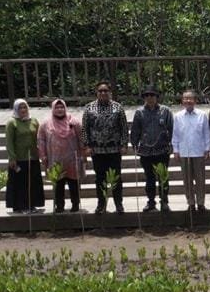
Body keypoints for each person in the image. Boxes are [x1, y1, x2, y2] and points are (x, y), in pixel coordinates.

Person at [81, 80, 128, 214]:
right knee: (100, 178)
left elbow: (124, 128)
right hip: (97, 150)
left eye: (105, 90)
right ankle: (101, 204)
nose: (103, 93)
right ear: (96, 93)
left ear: (110, 92)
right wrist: (87, 145)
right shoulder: (89, 108)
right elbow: (85, 129)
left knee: (116, 178)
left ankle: (119, 204)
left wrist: (124, 144)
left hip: (114, 150)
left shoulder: (118, 107)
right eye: (100, 91)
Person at [38, 98, 86, 213]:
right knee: (58, 185)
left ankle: (75, 204)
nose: (60, 109)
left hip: (72, 159)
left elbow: (82, 138)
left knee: (73, 183)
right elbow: (41, 140)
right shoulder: (46, 123)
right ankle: (59, 206)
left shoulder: (74, 122)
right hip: (55, 159)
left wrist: (84, 154)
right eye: (57, 107)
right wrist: (43, 156)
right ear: (53, 109)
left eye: (62, 107)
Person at [130, 85, 173, 212]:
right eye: (147, 95)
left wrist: (172, 144)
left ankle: (164, 201)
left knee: (163, 178)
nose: (150, 98)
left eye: (152, 95)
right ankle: (151, 202)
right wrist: (134, 143)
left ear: (157, 97)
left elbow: (171, 128)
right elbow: (135, 130)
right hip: (146, 151)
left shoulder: (165, 111)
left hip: (162, 150)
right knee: (149, 178)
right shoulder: (139, 112)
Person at [172, 90, 210, 212]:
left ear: (195, 101)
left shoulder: (202, 115)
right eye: (185, 99)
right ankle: (191, 203)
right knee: (187, 180)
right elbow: (176, 135)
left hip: (198, 152)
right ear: (182, 101)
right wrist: (176, 150)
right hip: (184, 153)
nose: (188, 101)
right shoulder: (178, 116)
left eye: (190, 99)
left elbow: (206, 133)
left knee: (200, 180)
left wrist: (207, 148)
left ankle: (200, 203)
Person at [5, 99, 45, 214]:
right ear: (16, 109)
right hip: (19, 159)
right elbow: (9, 142)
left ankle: (32, 205)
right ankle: (20, 206)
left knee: (32, 182)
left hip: (32, 157)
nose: (23, 110)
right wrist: (12, 158)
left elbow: (40, 138)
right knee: (20, 184)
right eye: (20, 108)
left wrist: (41, 153)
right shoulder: (12, 123)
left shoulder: (34, 121)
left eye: (25, 107)